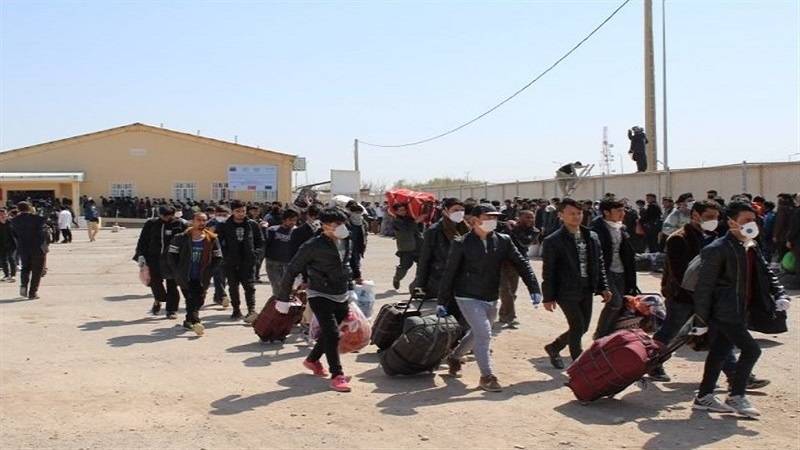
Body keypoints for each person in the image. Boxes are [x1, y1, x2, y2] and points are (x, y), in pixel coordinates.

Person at [691, 201, 790, 417]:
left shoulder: (751, 246)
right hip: (725, 312)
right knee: (752, 350)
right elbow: (704, 288)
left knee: (719, 352)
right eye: (746, 221)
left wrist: (780, 294)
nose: (751, 225)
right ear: (731, 222)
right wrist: (700, 321)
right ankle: (736, 395)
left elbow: (767, 274)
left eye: (753, 220)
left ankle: (704, 396)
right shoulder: (716, 250)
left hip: (742, 310)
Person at [437, 204, 542, 392]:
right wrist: (442, 301)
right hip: (467, 295)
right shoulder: (461, 243)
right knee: (484, 333)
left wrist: (534, 287)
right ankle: (487, 376)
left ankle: (455, 356)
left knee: (477, 332)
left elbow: (521, 263)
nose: (492, 222)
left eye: (495, 218)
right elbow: (449, 273)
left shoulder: (503, 241)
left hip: (491, 295)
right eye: (488, 218)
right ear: (474, 220)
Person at [276, 207, 356, 392]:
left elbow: (349, 263)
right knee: (333, 333)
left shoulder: (346, 240)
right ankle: (337, 375)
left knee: (332, 332)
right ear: (325, 226)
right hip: (320, 292)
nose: (342, 228)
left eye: (343, 223)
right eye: (337, 224)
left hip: (341, 292)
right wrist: (283, 298)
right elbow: (292, 269)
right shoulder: (312, 245)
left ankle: (312, 360)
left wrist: (351, 286)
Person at [541, 198, 611, 369]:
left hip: (587, 288)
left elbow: (598, 262)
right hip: (566, 290)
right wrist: (548, 297)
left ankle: (554, 347)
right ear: (561, 215)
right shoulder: (553, 241)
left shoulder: (591, 236)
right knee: (577, 325)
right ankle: (578, 365)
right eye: (571, 213)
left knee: (583, 327)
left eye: (579, 213)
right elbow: (548, 271)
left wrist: (604, 286)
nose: (576, 217)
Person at [414, 198, 471, 325]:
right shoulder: (434, 231)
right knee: (451, 314)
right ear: (445, 211)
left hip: (465, 277)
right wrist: (421, 284)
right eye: (455, 210)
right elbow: (425, 259)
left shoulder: (467, 229)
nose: (460, 213)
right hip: (443, 277)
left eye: (462, 210)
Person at [589, 198, 638, 339]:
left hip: (621, 270)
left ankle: (608, 335)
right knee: (614, 303)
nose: (622, 213)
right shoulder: (596, 229)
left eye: (623, 210)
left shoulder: (620, 227)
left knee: (620, 302)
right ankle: (601, 334)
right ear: (606, 212)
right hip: (606, 271)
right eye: (618, 210)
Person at [168, 212, 223, 336]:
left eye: (204, 220)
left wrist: (210, 270)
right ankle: (195, 320)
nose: (201, 223)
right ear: (192, 221)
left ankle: (189, 319)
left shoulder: (212, 238)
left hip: (202, 276)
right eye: (198, 220)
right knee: (190, 298)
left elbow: (218, 257)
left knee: (199, 299)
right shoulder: (181, 237)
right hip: (185, 275)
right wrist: (177, 270)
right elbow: (171, 255)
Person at [134, 205, 187, 318]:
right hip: (154, 257)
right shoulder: (151, 224)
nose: (167, 219)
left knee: (172, 284)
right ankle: (159, 299)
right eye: (164, 216)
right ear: (160, 215)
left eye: (169, 216)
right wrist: (140, 255)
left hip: (173, 258)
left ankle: (171, 310)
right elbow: (143, 240)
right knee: (155, 282)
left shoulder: (180, 224)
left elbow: (186, 241)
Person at [215, 200, 264, 322]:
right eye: (238, 211)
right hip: (230, 262)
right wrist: (223, 257)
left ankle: (251, 310)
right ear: (232, 212)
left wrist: (256, 254)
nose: (241, 214)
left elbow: (261, 241)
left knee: (249, 286)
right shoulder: (225, 225)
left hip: (248, 261)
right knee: (233, 287)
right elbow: (216, 243)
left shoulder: (252, 224)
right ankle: (236, 310)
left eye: (243, 211)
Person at [498, 209, 540, 326]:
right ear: (519, 217)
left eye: (532, 217)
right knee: (505, 290)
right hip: (502, 262)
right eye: (527, 217)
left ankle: (504, 314)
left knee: (512, 291)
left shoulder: (534, 231)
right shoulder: (508, 226)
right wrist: (507, 224)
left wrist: (514, 229)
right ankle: (509, 316)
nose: (531, 220)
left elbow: (524, 242)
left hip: (518, 263)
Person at [10, 202, 49, 299]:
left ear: (18, 209)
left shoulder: (14, 221)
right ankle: (33, 292)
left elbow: (14, 235)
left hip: (23, 247)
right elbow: (44, 233)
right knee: (37, 271)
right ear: (30, 208)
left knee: (25, 268)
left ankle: (23, 285)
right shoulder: (38, 219)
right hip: (38, 248)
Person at [264, 209, 298, 296]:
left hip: (289, 263)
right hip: (273, 263)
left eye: (294, 220)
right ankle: (277, 303)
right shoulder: (272, 230)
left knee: (289, 286)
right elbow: (265, 244)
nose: (292, 222)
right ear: (284, 220)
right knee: (277, 285)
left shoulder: (297, 232)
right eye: (290, 220)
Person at [391, 203, 423, 290]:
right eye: (401, 210)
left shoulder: (410, 218)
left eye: (404, 210)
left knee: (422, 264)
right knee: (405, 266)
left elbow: (417, 229)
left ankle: (417, 282)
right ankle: (397, 278)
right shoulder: (396, 221)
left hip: (418, 245)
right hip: (406, 247)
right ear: (396, 212)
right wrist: (416, 221)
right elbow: (407, 229)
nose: (403, 212)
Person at [0, 207, 17, 283]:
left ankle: (13, 274)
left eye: (4, 214)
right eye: (0, 214)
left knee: (11, 258)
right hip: (1, 244)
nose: (2, 216)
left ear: (7, 214)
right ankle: (6, 274)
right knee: (3, 260)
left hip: (11, 244)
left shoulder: (12, 222)